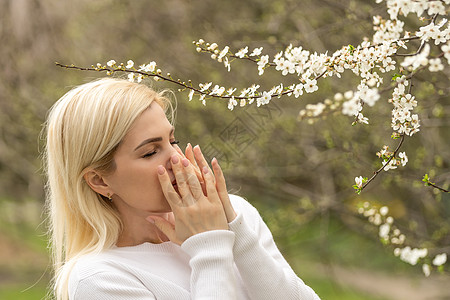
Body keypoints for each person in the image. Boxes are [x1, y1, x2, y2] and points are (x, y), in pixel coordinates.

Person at [44, 77, 321, 300]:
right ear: (100, 181)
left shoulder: (238, 215)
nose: (177, 159)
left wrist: (235, 231)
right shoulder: (100, 278)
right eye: (151, 152)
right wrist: (210, 246)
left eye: (172, 140)